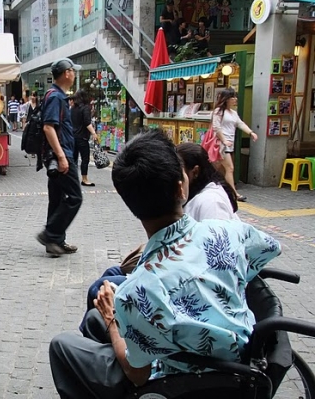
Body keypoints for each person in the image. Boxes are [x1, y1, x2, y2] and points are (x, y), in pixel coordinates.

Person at [49, 130, 281, 398]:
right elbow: (270, 248)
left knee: (62, 344)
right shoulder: (228, 232)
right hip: (240, 362)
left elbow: (138, 374)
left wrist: (113, 318)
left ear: (130, 203)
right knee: (93, 319)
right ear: (180, 187)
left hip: (181, 383)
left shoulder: (138, 290)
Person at [81, 140, 240, 325]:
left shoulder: (145, 290)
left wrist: (110, 319)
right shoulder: (215, 228)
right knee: (110, 276)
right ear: (180, 189)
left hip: (193, 311)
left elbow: (132, 353)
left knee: (97, 292)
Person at [36, 58, 83, 256]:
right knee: (74, 197)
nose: (74, 74)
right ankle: (51, 234)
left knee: (56, 198)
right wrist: (62, 156)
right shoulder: (55, 97)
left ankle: (55, 242)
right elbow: (48, 127)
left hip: (57, 154)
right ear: (66, 73)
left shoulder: (56, 95)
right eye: (73, 71)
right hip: (61, 154)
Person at [211, 87, 257, 202]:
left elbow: (240, 124)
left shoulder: (233, 113)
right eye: (233, 97)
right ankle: (234, 193)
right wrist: (224, 140)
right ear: (226, 99)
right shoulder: (218, 111)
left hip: (228, 144)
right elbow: (216, 128)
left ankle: (217, 189)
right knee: (229, 168)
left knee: (218, 169)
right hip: (221, 145)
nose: (235, 99)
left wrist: (251, 133)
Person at [72, 89, 98, 187]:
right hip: (82, 137)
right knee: (85, 159)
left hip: (73, 136)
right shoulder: (85, 108)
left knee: (73, 159)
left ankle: (73, 179)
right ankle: (84, 179)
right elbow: (87, 123)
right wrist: (94, 133)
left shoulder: (73, 108)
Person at [24, 91, 41, 159]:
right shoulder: (28, 104)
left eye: (34, 96)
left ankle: (35, 151)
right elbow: (26, 113)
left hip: (37, 123)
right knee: (29, 137)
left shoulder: (39, 104)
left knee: (36, 137)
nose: (32, 97)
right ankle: (30, 151)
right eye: (32, 96)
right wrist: (24, 122)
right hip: (29, 122)